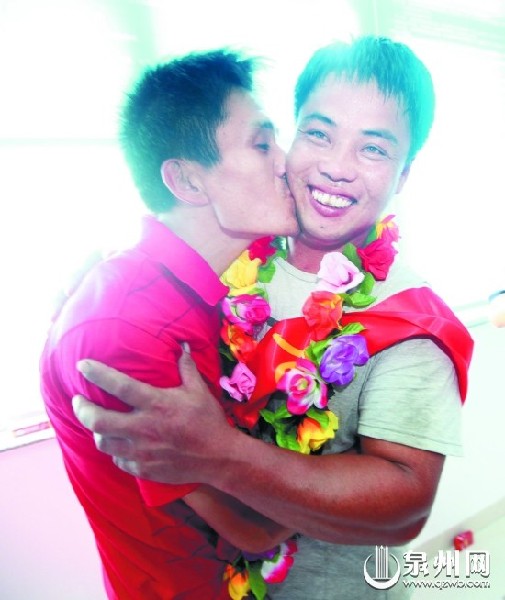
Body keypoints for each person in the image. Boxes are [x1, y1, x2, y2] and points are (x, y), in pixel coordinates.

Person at [72, 37, 474, 599]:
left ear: (403, 174)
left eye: (373, 149)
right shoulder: (240, 248)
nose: (335, 168)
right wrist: (93, 298)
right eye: (319, 133)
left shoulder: (412, 322)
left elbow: (405, 505)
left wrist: (221, 454)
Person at [40, 48, 300, 600]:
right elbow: (251, 528)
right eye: (261, 145)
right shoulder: (128, 327)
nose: (286, 162)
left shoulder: (185, 289)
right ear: (186, 180)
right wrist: (357, 476)